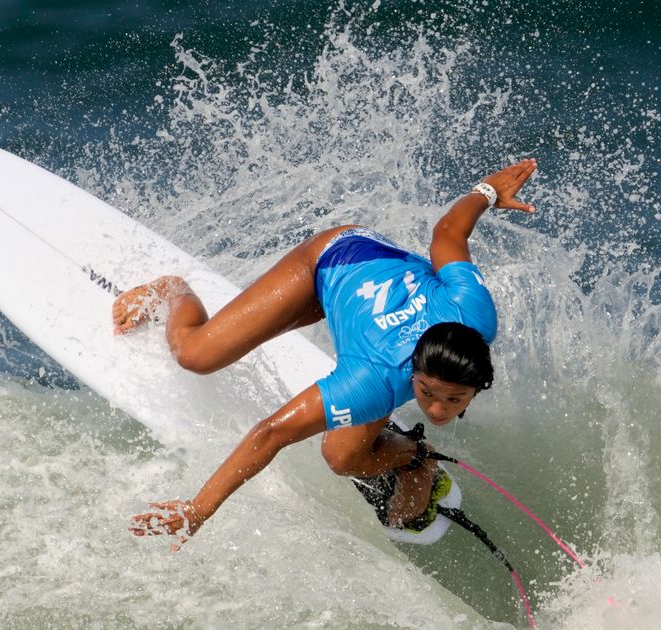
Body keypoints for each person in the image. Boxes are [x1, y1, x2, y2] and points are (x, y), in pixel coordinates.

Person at [120, 158, 538, 543]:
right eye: (427, 393)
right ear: (413, 372)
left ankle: (414, 457)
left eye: (454, 399)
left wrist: (485, 194)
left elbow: (449, 234)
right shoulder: (372, 380)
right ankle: (172, 289)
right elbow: (271, 433)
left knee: (341, 456)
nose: (439, 409)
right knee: (196, 355)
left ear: (477, 383)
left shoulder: (474, 312)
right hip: (334, 259)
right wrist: (198, 510)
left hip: (374, 298)